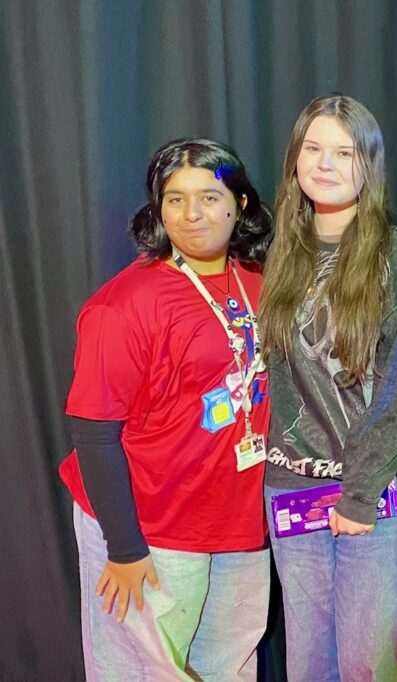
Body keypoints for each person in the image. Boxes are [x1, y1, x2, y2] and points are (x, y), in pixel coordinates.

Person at [59, 138, 273, 680]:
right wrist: (125, 548)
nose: (192, 214)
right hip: (151, 528)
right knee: (144, 672)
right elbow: (93, 432)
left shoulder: (261, 283)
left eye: (209, 195)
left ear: (240, 202)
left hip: (240, 523)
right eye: (175, 199)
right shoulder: (123, 304)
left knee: (229, 668)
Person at [259, 93, 397, 681]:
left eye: (344, 151)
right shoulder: (275, 252)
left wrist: (359, 492)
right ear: (295, 158)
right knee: (309, 665)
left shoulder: (395, 252)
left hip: (379, 491)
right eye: (314, 148)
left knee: (372, 666)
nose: (326, 163)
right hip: (294, 487)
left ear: (369, 165)